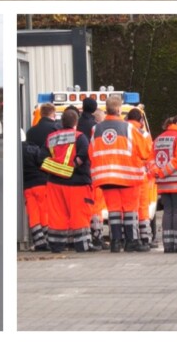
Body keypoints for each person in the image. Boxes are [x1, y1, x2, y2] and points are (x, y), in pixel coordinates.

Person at [90, 95, 150, 252]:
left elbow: (91, 152)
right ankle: (131, 242)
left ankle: (116, 242)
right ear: (118, 109)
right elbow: (145, 151)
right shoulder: (129, 128)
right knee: (130, 210)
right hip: (127, 176)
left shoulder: (96, 129)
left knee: (114, 211)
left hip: (105, 177)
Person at [42, 108, 95, 252]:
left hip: (54, 182)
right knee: (80, 213)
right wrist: (73, 166)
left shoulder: (51, 137)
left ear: (61, 121)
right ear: (75, 122)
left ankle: (56, 245)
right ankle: (82, 244)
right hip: (77, 182)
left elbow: (43, 156)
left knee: (57, 214)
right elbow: (84, 154)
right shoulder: (79, 136)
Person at [150, 114, 177, 253]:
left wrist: (158, 172)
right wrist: (165, 171)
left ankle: (168, 245)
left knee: (168, 212)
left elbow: (150, 160)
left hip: (163, 184)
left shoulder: (157, 139)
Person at [23, 103, 59, 251]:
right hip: (47, 177)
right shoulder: (56, 129)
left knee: (33, 212)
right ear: (53, 114)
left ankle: (39, 241)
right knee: (46, 210)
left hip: (28, 183)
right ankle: (49, 238)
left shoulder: (31, 132)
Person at [126, 107, 157, 250]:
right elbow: (149, 154)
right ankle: (145, 238)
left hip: (124, 175)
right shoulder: (143, 134)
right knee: (142, 207)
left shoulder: (123, 131)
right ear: (140, 120)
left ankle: (127, 238)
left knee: (127, 209)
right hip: (140, 174)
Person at [76, 98, 105, 249]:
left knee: (82, 207)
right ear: (94, 109)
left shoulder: (77, 124)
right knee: (96, 206)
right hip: (94, 170)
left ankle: (84, 235)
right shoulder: (96, 127)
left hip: (77, 171)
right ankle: (97, 236)